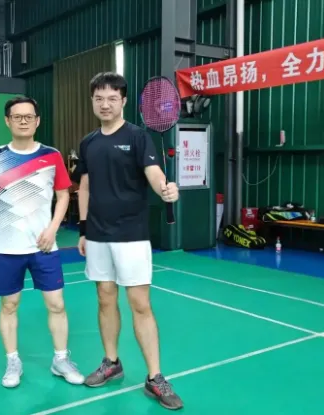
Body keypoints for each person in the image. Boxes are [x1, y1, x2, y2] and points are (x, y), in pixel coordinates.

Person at [0, 96, 85, 389]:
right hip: (6, 247)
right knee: (9, 305)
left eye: (28, 116)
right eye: (17, 116)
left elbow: (63, 195)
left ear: (37, 121)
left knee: (56, 304)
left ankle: (61, 359)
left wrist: (53, 229)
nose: (23, 121)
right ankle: (13, 361)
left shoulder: (52, 155)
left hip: (44, 245)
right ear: (7, 121)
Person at [77, 72, 183, 410]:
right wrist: (83, 229)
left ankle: (155, 377)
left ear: (123, 101)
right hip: (97, 234)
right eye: (99, 98)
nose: (105, 104)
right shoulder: (88, 143)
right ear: (93, 101)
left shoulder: (138, 137)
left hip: (131, 234)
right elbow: (85, 187)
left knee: (139, 303)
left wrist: (165, 188)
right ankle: (111, 362)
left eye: (112, 98)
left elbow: (153, 173)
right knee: (105, 298)